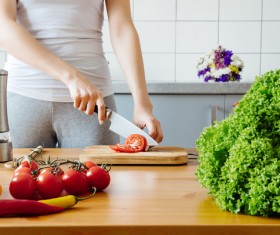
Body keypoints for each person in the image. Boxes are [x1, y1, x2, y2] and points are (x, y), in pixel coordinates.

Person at [0, 0, 163, 148]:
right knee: (16, 178)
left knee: (98, 179)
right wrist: (71, 77)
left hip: (93, 105)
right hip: (24, 97)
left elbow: (122, 29)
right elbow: (3, 25)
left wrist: (142, 104)